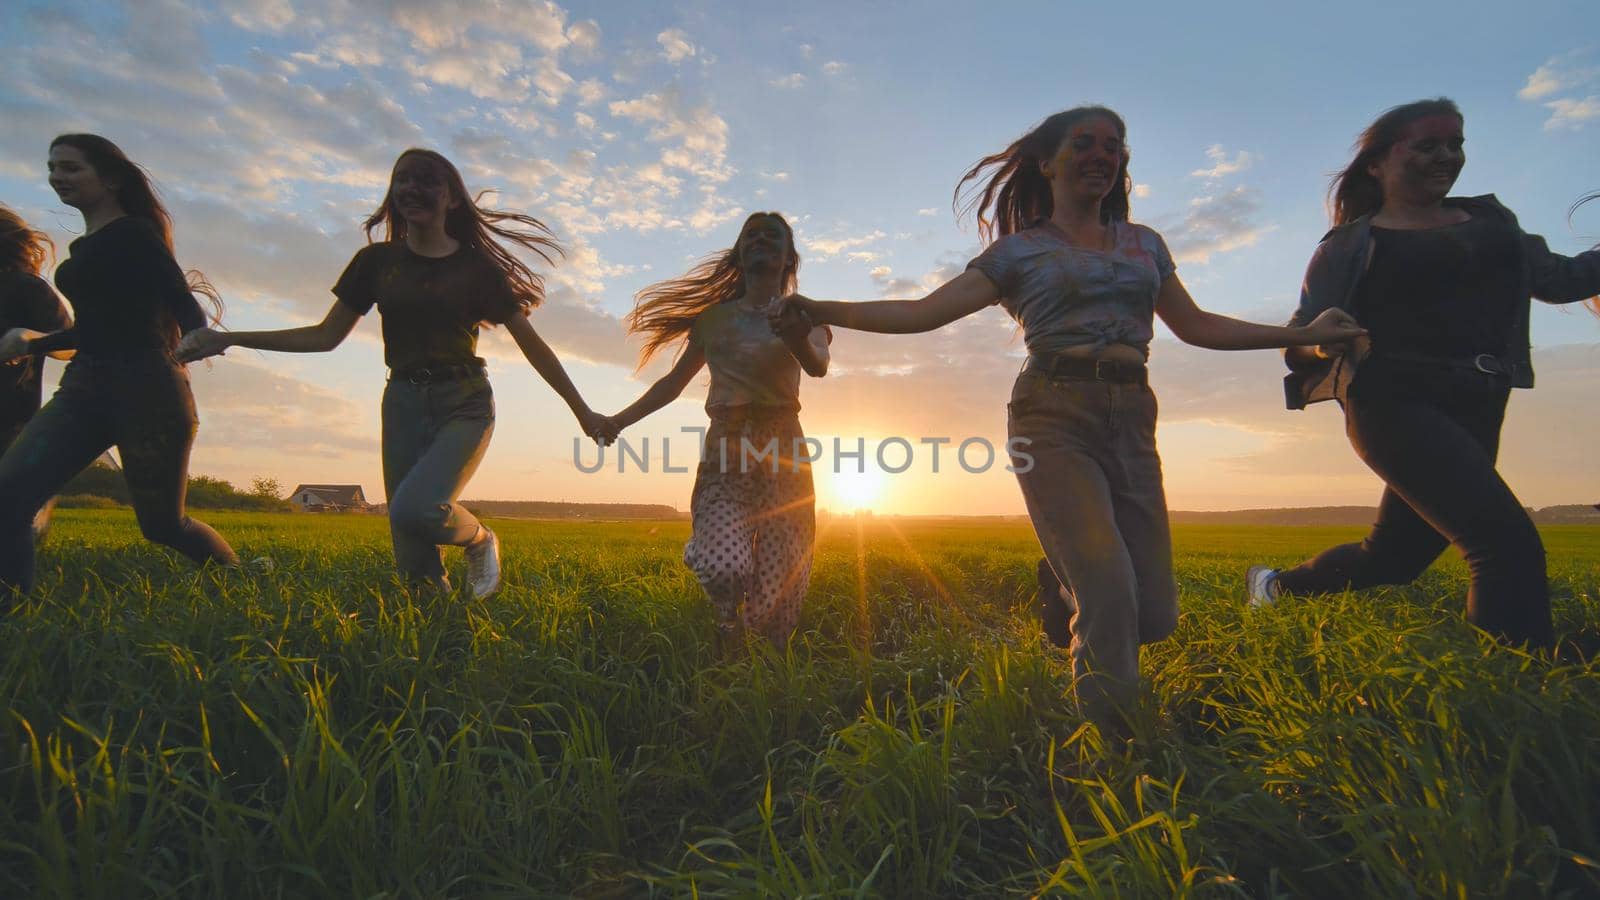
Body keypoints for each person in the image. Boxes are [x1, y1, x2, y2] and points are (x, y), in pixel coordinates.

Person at [774, 106, 1363, 719]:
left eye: (1114, 146)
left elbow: (1197, 326)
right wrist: (822, 308)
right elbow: (923, 312)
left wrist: (1305, 336)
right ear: (1048, 162)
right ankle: (1113, 756)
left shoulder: (1145, 245)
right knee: (1109, 595)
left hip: (1133, 412)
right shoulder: (1019, 252)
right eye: (1084, 143)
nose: (1102, 155)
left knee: (1154, 615)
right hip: (1051, 413)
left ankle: (1062, 590)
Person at [1245, 99, 1600, 649]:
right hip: (1392, 405)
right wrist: (1319, 342)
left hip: (1479, 399)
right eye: (1428, 145)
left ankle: (1274, 589)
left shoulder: (1494, 223)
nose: (1447, 156)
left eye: (1456, 144)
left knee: (1393, 558)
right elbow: (1299, 345)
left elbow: (1560, 280)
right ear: (1377, 164)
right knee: (1502, 542)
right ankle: (1518, 673)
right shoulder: (1349, 246)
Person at [178, 149, 603, 597]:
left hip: (464, 401)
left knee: (414, 509)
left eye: (426, 181)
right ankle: (442, 643)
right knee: (414, 565)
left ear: (453, 199)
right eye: (402, 180)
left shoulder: (477, 269)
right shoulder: (376, 263)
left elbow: (533, 347)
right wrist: (230, 338)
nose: (411, 189)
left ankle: (479, 539)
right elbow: (324, 337)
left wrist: (582, 411)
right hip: (401, 402)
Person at [0, 134, 239, 595]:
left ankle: (237, 577)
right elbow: (94, 331)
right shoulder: (85, 249)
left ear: (108, 178)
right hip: (84, 388)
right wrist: (32, 342)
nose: (56, 177)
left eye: (71, 168)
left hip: (148, 389)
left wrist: (197, 332)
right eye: (53, 167)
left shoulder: (133, 233)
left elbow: (178, 295)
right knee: (9, 498)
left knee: (164, 525)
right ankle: (12, 609)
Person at [599, 212, 830, 646]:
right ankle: (727, 621)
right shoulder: (713, 320)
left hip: (785, 446)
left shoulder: (807, 313)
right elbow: (672, 385)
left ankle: (757, 660)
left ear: (789, 258)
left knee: (783, 576)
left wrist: (796, 335)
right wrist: (618, 421)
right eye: (751, 236)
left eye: (772, 236)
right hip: (727, 442)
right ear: (739, 254)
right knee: (721, 562)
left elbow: (817, 366)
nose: (760, 240)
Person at [0, 205, 74, 540]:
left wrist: (30, 341)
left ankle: (34, 518)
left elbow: (73, 344)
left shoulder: (28, 288)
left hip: (10, 411)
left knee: (11, 505)